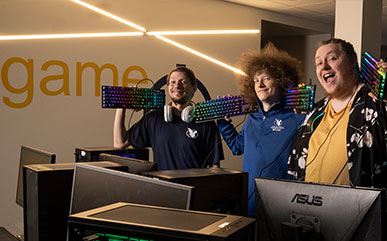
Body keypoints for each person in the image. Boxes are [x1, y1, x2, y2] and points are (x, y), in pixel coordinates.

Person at [217, 43, 306, 217]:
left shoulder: (297, 118)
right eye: (256, 80)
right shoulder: (252, 119)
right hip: (249, 201)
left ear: (281, 81)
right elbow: (237, 147)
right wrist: (223, 122)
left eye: (266, 78)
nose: (260, 84)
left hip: (282, 203)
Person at [288, 38, 387, 188]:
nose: (324, 67)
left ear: (353, 62)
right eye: (319, 63)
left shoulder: (378, 103)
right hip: (309, 205)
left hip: (360, 208)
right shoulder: (316, 112)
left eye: (332, 58)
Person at [114, 66, 224, 170]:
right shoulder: (153, 118)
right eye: (173, 82)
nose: (177, 86)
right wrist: (122, 105)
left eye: (183, 82)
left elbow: (215, 167)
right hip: (164, 189)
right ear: (168, 87)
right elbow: (120, 143)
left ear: (194, 88)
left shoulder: (207, 124)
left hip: (195, 188)